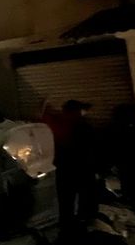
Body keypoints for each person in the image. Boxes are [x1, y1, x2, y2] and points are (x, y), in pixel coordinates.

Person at [54, 99, 96, 235]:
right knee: (83, 199)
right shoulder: (83, 127)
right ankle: (81, 225)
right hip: (81, 170)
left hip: (66, 170)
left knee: (66, 202)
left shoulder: (61, 127)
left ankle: (68, 227)